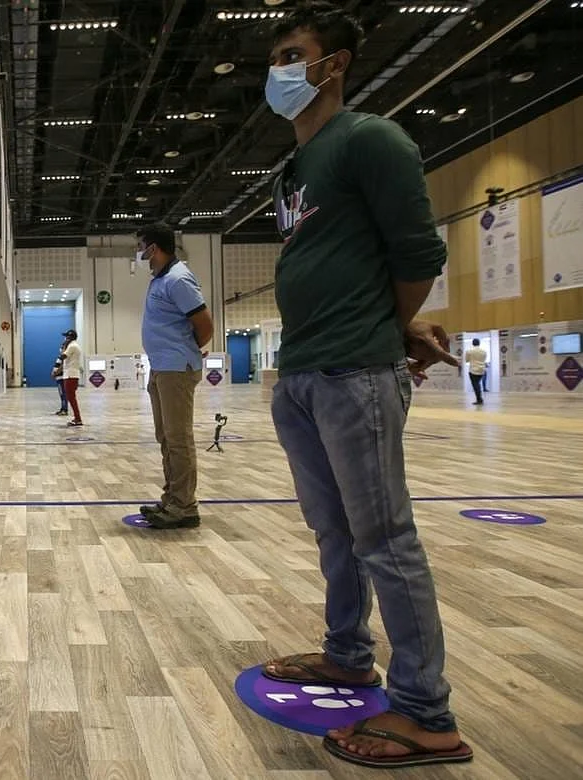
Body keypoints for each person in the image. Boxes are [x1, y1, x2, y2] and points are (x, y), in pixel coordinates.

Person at [259, 3, 471, 770]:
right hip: (303, 372)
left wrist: (389, 327)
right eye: (274, 60)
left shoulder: (369, 139)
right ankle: (347, 654)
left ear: (335, 63)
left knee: (384, 540)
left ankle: (424, 713)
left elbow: (417, 254)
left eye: (292, 54)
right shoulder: (293, 169)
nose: (278, 71)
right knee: (335, 533)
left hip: (353, 371)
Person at [135, 222, 214, 529]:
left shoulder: (178, 279)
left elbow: (205, 326)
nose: (140, 254)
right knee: (166, 437)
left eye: (141, 247)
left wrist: (185, 350)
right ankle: (172, 498)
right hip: (161, 368)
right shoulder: (160, 279)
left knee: (178, 439)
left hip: (176, 370)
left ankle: (184, 506)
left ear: (153, 248)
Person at [60, 329, 83, 426]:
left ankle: (78, 419)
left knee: (71, 398)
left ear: (70, 337)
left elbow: (62, 356)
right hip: (71, 374)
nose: (65, 339)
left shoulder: (72, 346)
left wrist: (63, 347)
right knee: (71, 397)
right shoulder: (74, 346)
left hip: (70, 375)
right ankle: (77, 418)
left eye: (66, 337)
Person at [464, 338, 487, 405]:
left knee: (475, 385)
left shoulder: (469, 351)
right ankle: (479, 399)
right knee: (477, 384)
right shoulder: (484, 351)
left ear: (472, 343)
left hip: (473, 370)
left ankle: (479, 399)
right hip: (482, 370)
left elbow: (467, 360)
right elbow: (484, 359)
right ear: (479, 343)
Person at [51, 338, 69, 415]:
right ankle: (62, 408)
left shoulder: (64, 357)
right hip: (58, 378)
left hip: (61, 378)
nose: (61, 348)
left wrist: (55, 373)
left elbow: (62, 367)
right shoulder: (60, 356)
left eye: (62, 347)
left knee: (63, 394)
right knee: (61, 394)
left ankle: (65, 409)